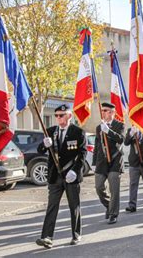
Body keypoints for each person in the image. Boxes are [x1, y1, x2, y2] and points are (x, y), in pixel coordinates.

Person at [36, 104, 87, 248]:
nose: (58, 118)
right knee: (52, 206)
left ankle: (76, 235)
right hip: (55, 176)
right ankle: (47, 237)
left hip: (71, 175)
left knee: (74, 206)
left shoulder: (78, 132)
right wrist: (45, 144)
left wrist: (75, 171)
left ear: (69, 116)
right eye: (56, 115)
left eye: (61, 115)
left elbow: (82, 154)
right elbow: (39, 150)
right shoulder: (50, 131)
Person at [93, 102, 125, 224]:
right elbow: (97, 145)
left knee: (114, 188)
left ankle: (113, 214)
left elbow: (121, 139)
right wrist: (94, 161)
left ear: (112, 112)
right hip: (102, 162)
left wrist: (109, 131)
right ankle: (109, 205)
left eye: (106, 110)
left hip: (115, 161)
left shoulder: (119, 125)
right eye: (103, 110)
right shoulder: (98, 127)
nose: (103, 112)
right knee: (99, 187)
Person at [124, 125, 143, 212]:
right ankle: (132, 205)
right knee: (133, 184)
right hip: (134, 162)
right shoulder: (131, 129)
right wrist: (131, 134)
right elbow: (126, 142)